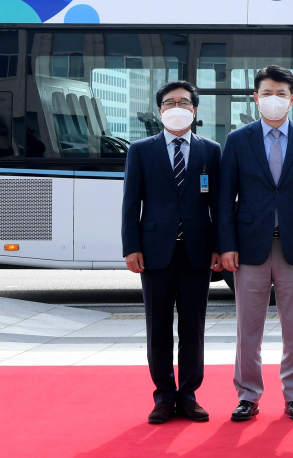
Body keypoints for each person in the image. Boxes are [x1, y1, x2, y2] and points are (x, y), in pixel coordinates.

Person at [217, 65, 293, 423]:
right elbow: (225, 198)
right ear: (255, 98)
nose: (274, 99)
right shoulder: (238, 140)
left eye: (281, 94)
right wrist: (226, 245)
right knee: (248, 329)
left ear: (292, 99)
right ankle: (247, 395)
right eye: (267, 93)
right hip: (249, 246)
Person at [121, 81, 221, 425]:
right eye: (169, 102)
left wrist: (219, 247)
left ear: (195, 109)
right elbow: (131, 202)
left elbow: (219, 204)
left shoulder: (211, 150)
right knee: (158, 328)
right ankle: (163, 396)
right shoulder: (141, 150)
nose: (177, 107)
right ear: (159, 109)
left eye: (184, 102)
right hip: (154, 252)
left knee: (193, 328)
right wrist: (131, 247)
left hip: (197, 252)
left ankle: (189, 395)